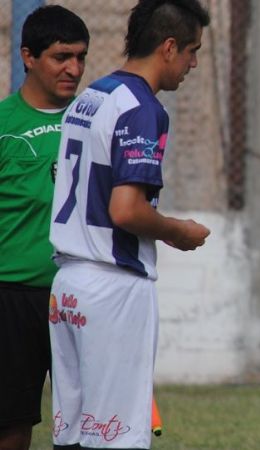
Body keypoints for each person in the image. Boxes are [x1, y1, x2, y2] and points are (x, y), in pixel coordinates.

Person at [48, 1, 210, 448]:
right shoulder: (143, 109)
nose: (193, 63)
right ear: (169, 47)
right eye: (192, 51)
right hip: (112, 288)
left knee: (72, 433)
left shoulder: (91, 95)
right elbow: (126, 210)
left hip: (67, 285)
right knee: (115, 436)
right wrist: (179, 232)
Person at [0, 6, 89, 450]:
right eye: (61, 57)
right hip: (12, 295)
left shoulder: (94, 121)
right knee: (11, 425)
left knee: (88, 424)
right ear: (28, 56)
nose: (73, 68)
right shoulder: (3, 126)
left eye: (80, 57)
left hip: (80, 294)